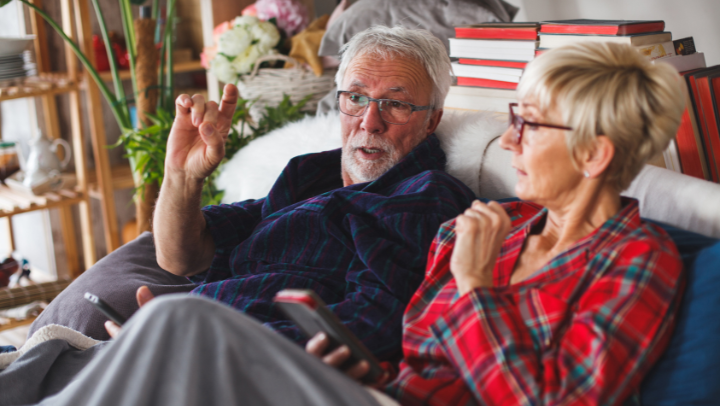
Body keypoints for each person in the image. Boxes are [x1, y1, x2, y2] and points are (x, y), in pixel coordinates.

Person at [3, 41, 685, 406]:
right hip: (366, 389)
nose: (505, 145)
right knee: (80, 351)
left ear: (595, 153)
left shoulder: (634, 261)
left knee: (178, 324)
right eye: (354, 98)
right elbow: (410, 349)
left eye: (526, 126)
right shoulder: (492, 224)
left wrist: (475, 291)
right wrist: (359, 365)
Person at [137, 25, 476, 361]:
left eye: (396, 104)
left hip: (236, 361)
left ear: (431, 121)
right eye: (356, 98)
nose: (370, 121)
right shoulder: (309, 175)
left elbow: (374, 323)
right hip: (190, 336)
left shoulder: (422, 198)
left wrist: (206, 344)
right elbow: (182, 257)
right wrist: (181, 175)